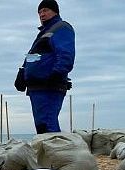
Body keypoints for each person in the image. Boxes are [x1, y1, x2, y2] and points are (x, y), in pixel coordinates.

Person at [15, 0, 75, 134]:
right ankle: (48, 154)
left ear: (55, 11)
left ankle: (57, 154)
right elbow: (34, 56)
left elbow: (66, 54)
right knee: (42, 126)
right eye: (40, 12)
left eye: (46, 10)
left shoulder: (61, 28)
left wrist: (57, 74)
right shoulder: (42, 34)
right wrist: (22, 73)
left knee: (48, 126)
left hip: (49, 85)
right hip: (36, 87)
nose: (42, 14)